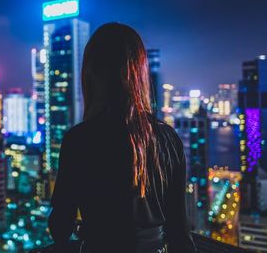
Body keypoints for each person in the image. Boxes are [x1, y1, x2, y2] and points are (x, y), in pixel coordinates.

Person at [47, 23, 197, 253]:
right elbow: (179, 226)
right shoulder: (168, 138)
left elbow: (60, 227)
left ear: (91, 73)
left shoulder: (79, 140)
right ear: (140, 73)